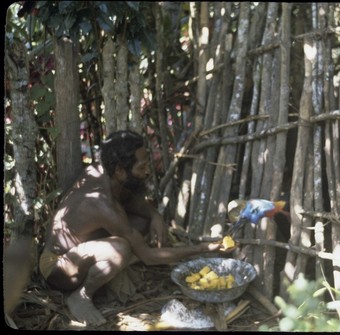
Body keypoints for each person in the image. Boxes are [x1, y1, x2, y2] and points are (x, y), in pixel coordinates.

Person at [39, 130, 229, 326]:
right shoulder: (104, 204)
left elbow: (129, 201)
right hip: (57, 267)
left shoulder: (105, 172)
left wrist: (155, 215)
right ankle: (81, 295)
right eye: (142, 167)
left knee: (143, 222)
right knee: (120, 248)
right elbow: (148, 256)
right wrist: (202, 249)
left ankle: (113, 270)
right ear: (121, 170)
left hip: (81, 250)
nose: (147, 171)